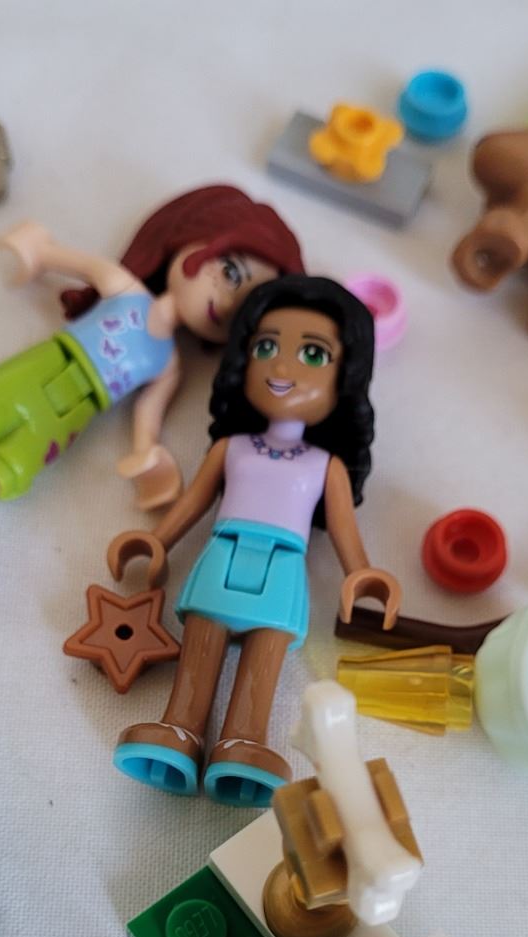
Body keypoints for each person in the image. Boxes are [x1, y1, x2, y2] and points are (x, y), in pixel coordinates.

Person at [0, 185, 304, 577]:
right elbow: (82, 265)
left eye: (242, 308)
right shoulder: (126, 289)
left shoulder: (168, 364)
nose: (225, 302)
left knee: (19, 459)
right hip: (47, 366)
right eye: (229, 273)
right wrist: (39, 251)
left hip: (78, 412)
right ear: (193, 242)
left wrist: (147, 452)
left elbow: (148, 413)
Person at [104, 276, 401, 807]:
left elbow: (344, 530)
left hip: (284, 566)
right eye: (266, 347)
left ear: (345, 378)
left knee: (265, 654)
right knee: (202, 641)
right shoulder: (232, 447)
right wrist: (157, 540)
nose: (282, 368)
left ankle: (243, 742)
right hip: (223, 552)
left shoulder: (324, 465)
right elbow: (193, 502)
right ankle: (180, 728)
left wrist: (361, 573)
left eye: (313, 354)